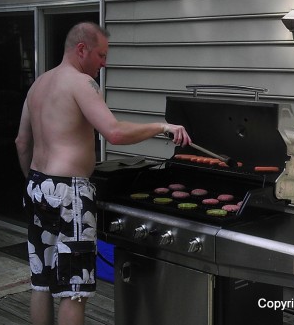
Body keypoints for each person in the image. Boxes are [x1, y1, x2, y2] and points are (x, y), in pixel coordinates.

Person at [15, 22, 191, 325]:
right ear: (82, 49)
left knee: (41, 282)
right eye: (101, 55)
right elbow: (114, 132)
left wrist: (37, 184)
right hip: (70, 194)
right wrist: (163, 126)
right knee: (74, 289)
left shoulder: (38, 84)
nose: (104, 63)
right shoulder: (80, 83)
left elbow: (21, 143)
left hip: (36, 187)